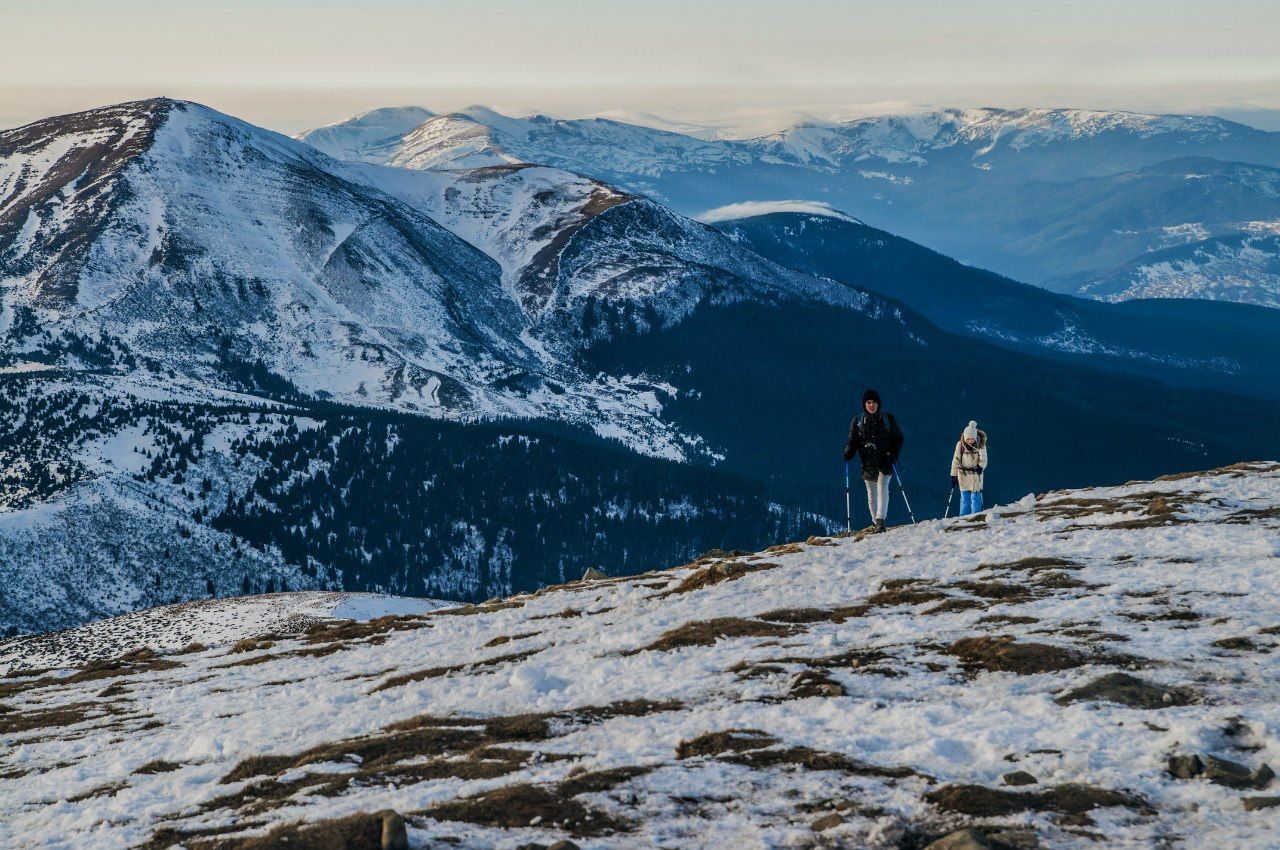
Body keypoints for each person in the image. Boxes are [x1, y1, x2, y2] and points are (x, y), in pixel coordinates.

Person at [843, 389, 904, 533]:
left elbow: (898, 439)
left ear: (878, 404)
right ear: (864, 404)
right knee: (871, 493)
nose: (871, 405)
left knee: (882, 488)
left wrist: (893, 454)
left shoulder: (888, 419)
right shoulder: (858, 421)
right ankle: (876, 522)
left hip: (885, 460)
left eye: (874, 402)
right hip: (867, 462)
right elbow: (853, 441)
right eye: (869, 402)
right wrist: (848, 452)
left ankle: (880, 520)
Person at [950, 420, 988, 516]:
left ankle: (977, 517)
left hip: (976, 475)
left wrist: (981, 467)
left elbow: (984, 459)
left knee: (976, 498)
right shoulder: (960, 445)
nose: (970, 441)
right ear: (965, 437)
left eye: (972, 439)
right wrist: (953, 475)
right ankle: (963, 518)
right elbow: (956, 460)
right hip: (963, 475)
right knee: (965, 498)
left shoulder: (981, 445)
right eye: (968, 439)